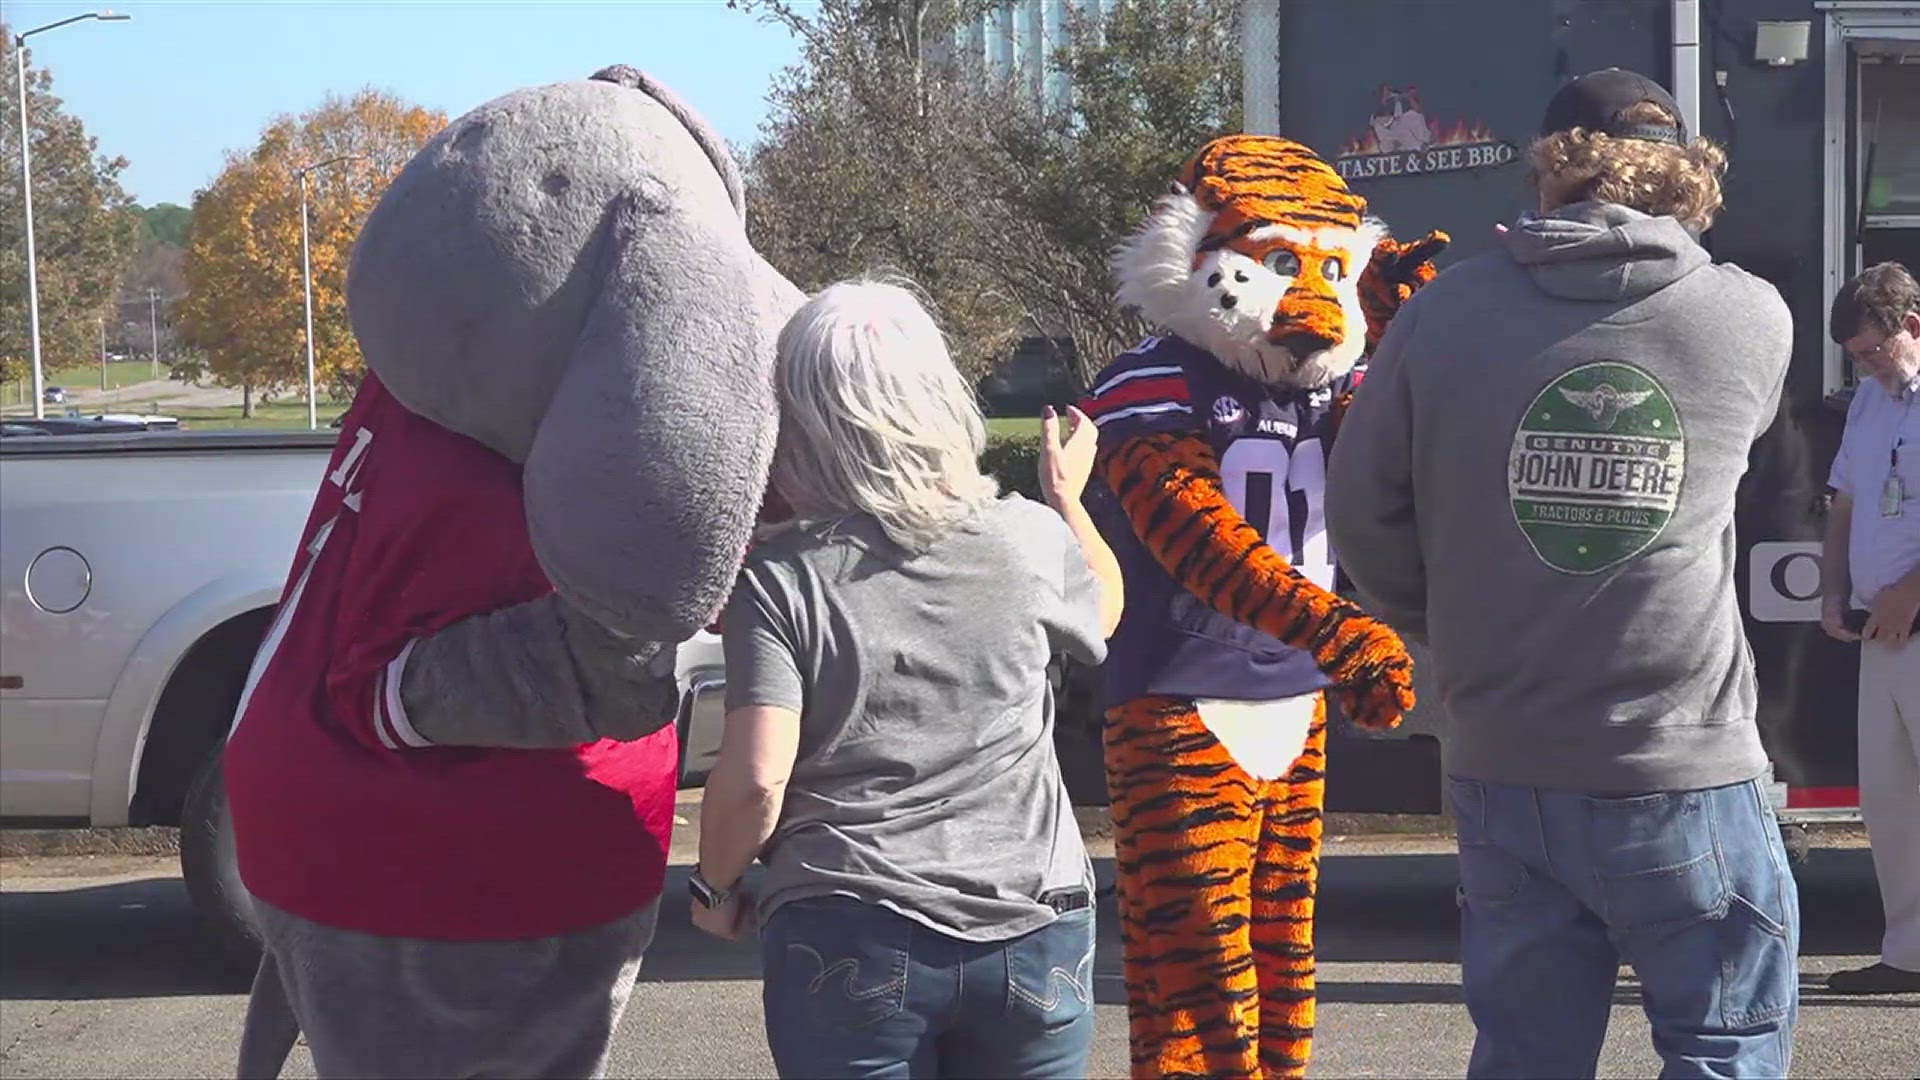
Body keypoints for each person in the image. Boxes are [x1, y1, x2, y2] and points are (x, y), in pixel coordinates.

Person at [1326, 68, 1800, 1077]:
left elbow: (1361, 516)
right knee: (1725, 1045)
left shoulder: (1441, 316)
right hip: (1681, 763)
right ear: (1686, 175)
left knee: (1528, 1053)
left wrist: (1452, 623)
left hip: (1502, 753)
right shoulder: (1750, 318)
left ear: (1549, 167)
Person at [687, 277, 1124, 1079]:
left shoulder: (780, 578)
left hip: (849, 926)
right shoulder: (1029, 541)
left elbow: (754, 782)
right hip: (1036, 920)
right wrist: (1067, 499)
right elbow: (1104, 611)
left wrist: (716, 891)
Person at [1819, 260, 1920, 995]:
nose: (1864, 365)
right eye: (1854, 356)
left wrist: (1909, 592)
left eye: (1872, 351)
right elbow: (1845, 502)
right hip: (1879, 632)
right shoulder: (1869, 402)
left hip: (1913, 616)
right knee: (1888, 802)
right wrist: (1832, 591)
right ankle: (1909, 954)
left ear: (1910, 325)